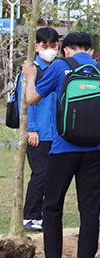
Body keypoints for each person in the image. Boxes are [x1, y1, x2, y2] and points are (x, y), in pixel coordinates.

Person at [22, 32, 100, 258]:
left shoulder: (59, 68)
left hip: (62, 149)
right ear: (91, 51)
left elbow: (32, 98)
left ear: (66, 50)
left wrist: (31, 77)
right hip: (96, 152)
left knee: (52, 204)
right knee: (90, 209)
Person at [20, 27, 61, 232]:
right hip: (39, 132)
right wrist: (32, 129)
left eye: (53, 45)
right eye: (45, 45)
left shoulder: (55, 69)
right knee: (40, 173)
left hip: (54, 133)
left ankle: (41, 213)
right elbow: (27, 104)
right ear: (37, 46)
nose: (49, 49)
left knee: (49, 174)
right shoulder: (31, 71)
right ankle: (30, 215)